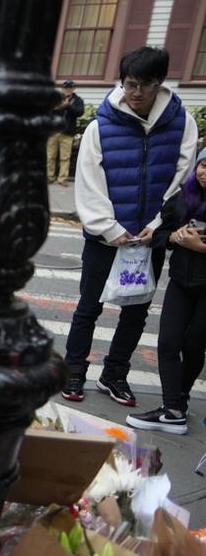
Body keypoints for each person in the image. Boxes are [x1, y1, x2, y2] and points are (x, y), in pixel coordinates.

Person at [63, 46, 198, 405]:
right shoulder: (100, 126)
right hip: (106, 238)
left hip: (149, 237)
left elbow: (182, 179)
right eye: (129, 84)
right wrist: (109, 227)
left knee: (135, 312)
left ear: (160, 83)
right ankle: (74, 371)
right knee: (88, 307)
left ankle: (114, 374)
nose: (134, 92)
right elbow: (88, 180)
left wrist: (158, 224)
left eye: (143, 85)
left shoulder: (182, 123)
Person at [129, 150, 206, 434]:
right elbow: (158, 233)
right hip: (180, 283)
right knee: (168, 343)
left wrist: (201, 248)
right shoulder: (182, 198)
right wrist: (173, 237)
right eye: (203, 165)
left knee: (195, 347)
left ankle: (179, 401)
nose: (204, 173)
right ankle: (173, 409)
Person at [47, 80, 85, 186]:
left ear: (73, 88)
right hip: (54, 132)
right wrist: (60, 107)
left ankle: (62, 179)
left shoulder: (78, 100)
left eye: (70, 87)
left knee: (65, 157)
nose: (68, 89)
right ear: (62, 89)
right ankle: (50, 177)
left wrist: (68, 106)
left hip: (67, 132)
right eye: (66, 87)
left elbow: (80, 112)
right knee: (50, 157)